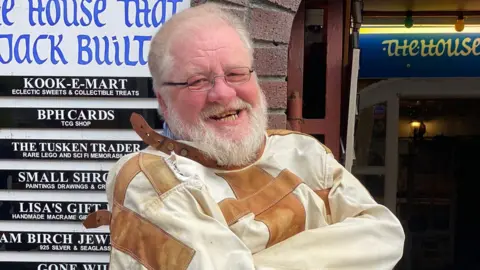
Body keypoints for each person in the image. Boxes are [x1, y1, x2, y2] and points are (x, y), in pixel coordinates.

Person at [83, 3, 405, 269]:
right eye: (197, 81)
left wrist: (250, 261)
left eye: (236, 73)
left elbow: (386, 234)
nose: (222, 94)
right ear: (164, 102)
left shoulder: (304, 152)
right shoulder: (150, 178)